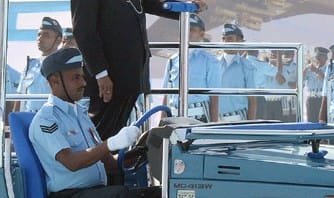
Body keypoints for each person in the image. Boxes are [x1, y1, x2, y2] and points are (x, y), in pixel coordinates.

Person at [29, 48, 157, 198]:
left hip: (94, 192)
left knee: (159, 193)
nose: (84, 83)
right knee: (121, 195)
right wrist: (112, 143)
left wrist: (145, 151)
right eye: (76, 78)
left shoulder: (81, 115)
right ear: (54, 81)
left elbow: (110, 164)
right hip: (69, 194)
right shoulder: (47, 119)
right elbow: (72, 162)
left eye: (83, 77)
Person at [72, 0, 206, 139]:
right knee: (98, 136)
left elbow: (152, 4)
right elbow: (83, 31)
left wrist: (189, 7)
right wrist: (101, 74)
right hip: (108, 81)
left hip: (133, 79)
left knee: (120, 139)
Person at [162, 14, 220, 122]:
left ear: (201, 34)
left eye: (192, 29)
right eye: (185, 28)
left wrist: (213, 127)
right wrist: (162, 122)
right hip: (174, 116)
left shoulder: (210, 61)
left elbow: (214, 97)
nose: (187, 32)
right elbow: (165, 95)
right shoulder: (172, 60)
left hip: (199, 117)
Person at [17, 17, 62, 112]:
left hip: (51, 120)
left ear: (58, 40)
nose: (40, 38)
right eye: (39, 34)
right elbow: (20, 98)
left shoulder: (63, 66)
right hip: (29, 119)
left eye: (46, 35)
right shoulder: (30, 66)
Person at [218, 23, 258, 121]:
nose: (226, 42)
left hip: (238, 118)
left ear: (239, 41)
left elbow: (252, 100)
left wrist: (250, 127)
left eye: (230, 38)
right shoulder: (213, 64)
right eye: (224, 38)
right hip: (215, 119)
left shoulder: (246, 66)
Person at [304, 47, 328, 122]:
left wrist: (316, 70)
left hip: (321, 99)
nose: (318, 58)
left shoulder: (328, 68)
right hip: (311, 98)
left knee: (321, 121)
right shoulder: (309, 68)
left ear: (326, 58)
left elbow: (327, 80)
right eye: (317, 56)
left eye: (321, 56)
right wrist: (305, 68)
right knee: (310, 121)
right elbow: (301, 80)